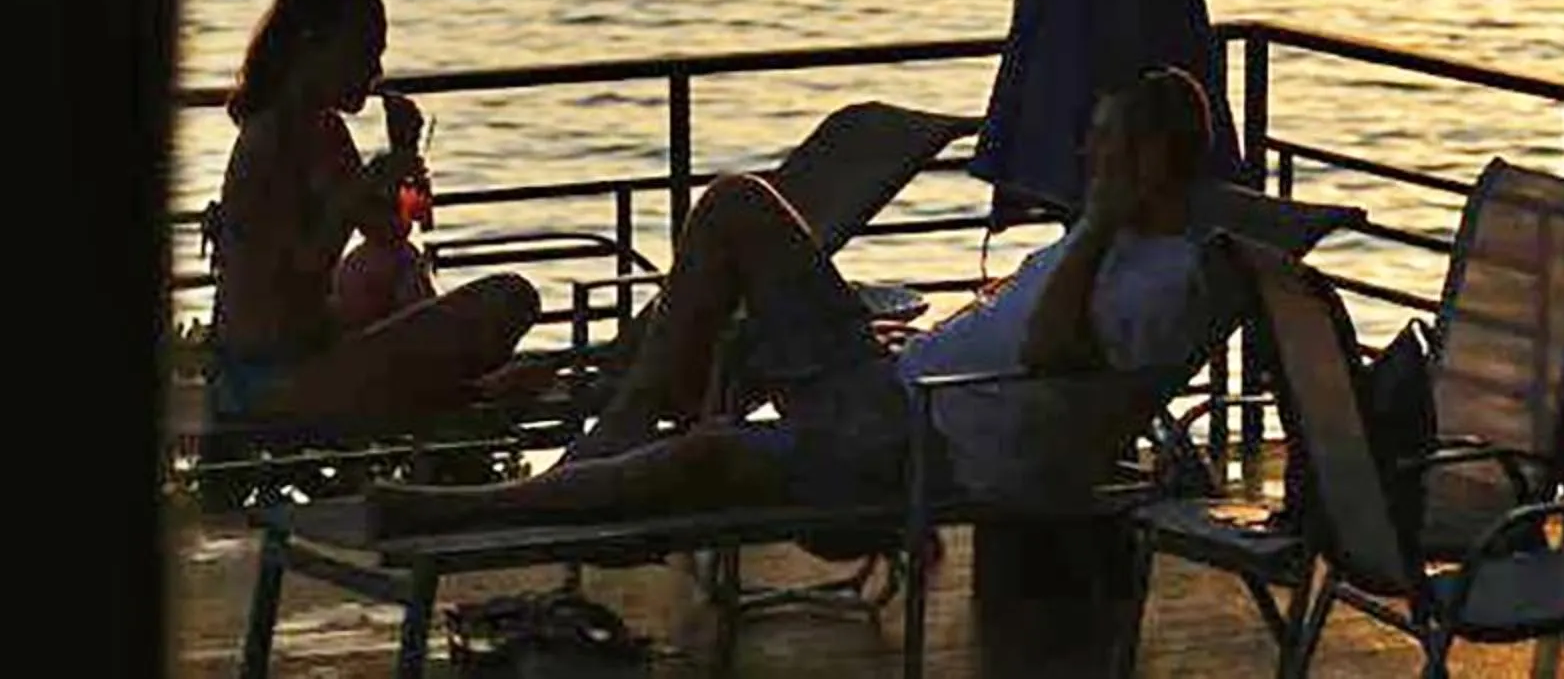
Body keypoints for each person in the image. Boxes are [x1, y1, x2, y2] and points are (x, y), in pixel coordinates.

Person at [369, 65, 1219, 535]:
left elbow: (1049, 363)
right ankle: (625, 418)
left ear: (1150, 164)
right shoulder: (1105, 244)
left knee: (708, 454)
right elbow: (1014, 337)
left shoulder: (1163, 278)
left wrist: (1102, 221)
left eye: (1105, 145)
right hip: (890, 389)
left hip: (919, 448)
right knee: (738, 209)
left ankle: (485, 506)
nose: (1085, 153)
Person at [201, 0, 540, 431]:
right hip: (269, 379)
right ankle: (470, 391)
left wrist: (406, 159)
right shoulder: (269, 139)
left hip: (315, 341)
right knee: (509, 298)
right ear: (313, 46)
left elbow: (398, 227)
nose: (376, 71)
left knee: (397, 260)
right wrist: (361, 186)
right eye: (364, 53)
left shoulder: (327, 129)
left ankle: (456, 387)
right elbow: (303, 266)